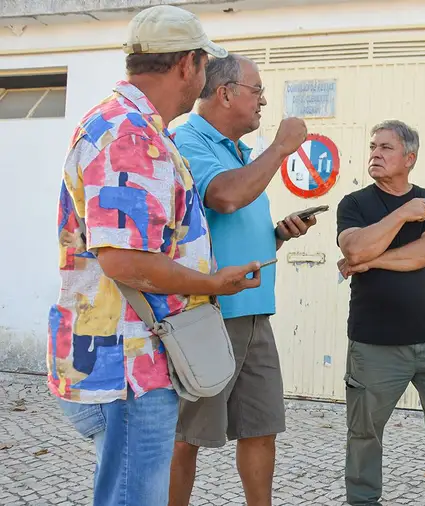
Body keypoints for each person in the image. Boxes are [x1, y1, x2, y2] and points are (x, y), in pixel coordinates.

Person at [49, 6, 262, 506]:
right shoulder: (130, 135)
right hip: (127, 364)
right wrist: (214, 284)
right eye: (205, 65)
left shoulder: (132, 126)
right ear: (188, 64)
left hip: (130, 357)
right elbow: (125, 261)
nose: (206, 76)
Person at [167, 54, 313, 506]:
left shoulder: (240, 153)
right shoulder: (186, 138)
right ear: (226, 92)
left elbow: (230, 224)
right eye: (257, 90)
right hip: (207, 314)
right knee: (185, 434)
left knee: (261, 428)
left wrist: (275, 238)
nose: (264, 101)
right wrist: (281, 148)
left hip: (253, 312)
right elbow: (225, 197)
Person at [335, 120, 425, 506]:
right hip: (374, 345)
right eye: (373, 147)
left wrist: (372, 262)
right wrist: (400, 216)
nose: (375, 154)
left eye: (386, 148)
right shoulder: (355, 204)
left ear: (409, 158)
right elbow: (355, 249)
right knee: (365, 432)